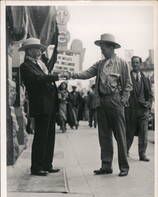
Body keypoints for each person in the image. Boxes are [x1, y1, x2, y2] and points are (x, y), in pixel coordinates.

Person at [62, 33, 133, 177]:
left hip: (115, 101)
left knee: (120, 135)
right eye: (101, 47)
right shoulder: (100, 64)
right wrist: (71, 75)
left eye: (104, 47)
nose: (102, 50)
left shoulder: (122, 64)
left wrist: (123, 100)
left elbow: (128, 85)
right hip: (102, 101)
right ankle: (106, 166)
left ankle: (124, 167)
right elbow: (86, 73)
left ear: (112, 48)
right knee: (104, 136)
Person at [19, 37, 61, 176]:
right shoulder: (25, 66)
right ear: (30, 51)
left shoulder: (40, 64)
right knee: (41, 137)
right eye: (38, 48)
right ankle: (36, 167)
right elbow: (38, 79)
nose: (40, 50)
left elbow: (44, 78)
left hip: (49, 104)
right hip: (41, 105)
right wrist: (56, 76)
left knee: (49, 136)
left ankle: (47, 164)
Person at [125, 56, 153, 161]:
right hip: (131, 111)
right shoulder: (127, 78)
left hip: (143, 111)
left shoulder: (145, 79)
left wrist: (148, 103)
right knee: (129, 133)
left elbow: (150, 95)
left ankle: (142, 154)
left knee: (143, 134)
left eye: (137, 62)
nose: (135, 64)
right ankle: (125, 152)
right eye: (133, 62)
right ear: (131, 64)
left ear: (140, 64)